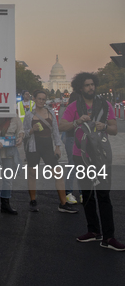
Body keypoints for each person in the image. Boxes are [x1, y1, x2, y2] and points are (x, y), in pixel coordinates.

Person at [59, 72, 124, 251]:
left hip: (100, 154)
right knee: (87, 195)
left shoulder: (106, 105)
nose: (91, 88)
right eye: (87, 85)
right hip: (80, 155)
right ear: (80, 88)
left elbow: (114, 130)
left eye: (92, 84)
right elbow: (61, 126)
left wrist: (104, 126)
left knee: (103, 195)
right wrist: (77, 122)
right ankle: (93, 231)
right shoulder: (73, 106)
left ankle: (109, 237)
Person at [23, 90, 77, 214]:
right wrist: (32, 129)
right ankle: (32, 200)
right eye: (39, 98)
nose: (41, 101)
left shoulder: (50, 112)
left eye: (43, 99)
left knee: (58, 173)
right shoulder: (29, 115)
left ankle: (63, 203)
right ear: (34, 99)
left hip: (47, 146)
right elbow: (24, 133)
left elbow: (55, 131)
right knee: (32, 174)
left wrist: (58, 146)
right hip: (33, 147)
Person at [0, 116, 24, 217]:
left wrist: (20, 137)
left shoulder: (13, 116)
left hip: (9, 150)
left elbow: (20, 129)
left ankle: (5, 204)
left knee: (8, 178)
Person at [62, 92, 80, 204]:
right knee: (73, 165)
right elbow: (63, 126)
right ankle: (68, 192)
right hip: (72, 138)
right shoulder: (71, 109)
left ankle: (83, 192)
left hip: (83, 139)